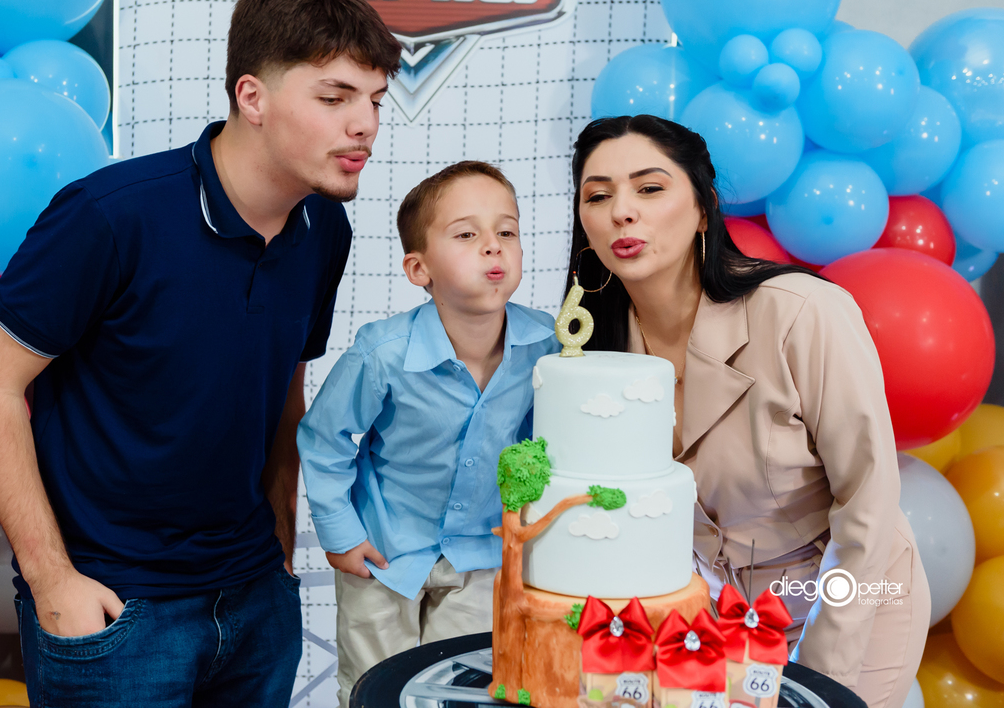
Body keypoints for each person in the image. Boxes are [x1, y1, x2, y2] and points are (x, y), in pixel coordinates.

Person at [0, 0, 401, 708]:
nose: (365, 125)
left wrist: (279, 542)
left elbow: (284, 380)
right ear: (252, 98)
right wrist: (50, 579)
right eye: (335, 97)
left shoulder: (326, 228)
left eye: (375, 100)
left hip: (255, 600)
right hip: (117, 610)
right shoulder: (108, 217)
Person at [562, 114, 929, 708]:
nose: (621, 212)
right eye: (597, 195)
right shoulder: (593, 354)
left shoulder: (801, 312)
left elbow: (868, 504)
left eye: (650, 188)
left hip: (847, 597)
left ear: (705, 206)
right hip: (709, 618)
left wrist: (821, 667)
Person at [297, 161, 559, 707]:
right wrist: (340, 532)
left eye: (506, 232)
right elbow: (326, 441)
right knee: (374, 689)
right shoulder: (381, 353)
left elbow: (547, 441)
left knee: (461, 688)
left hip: (482, 555)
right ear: (419, 269)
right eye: (467, 234)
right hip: (384, 554)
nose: (493, 247)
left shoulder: (547, 346)